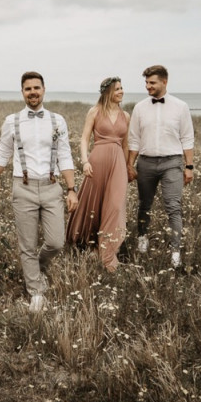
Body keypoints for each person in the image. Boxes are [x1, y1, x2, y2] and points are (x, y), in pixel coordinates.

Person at [0, 71, 78, 312]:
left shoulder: (58, 121)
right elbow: (3, 154)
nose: (33, 92)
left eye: (36, 88)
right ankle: (36, 291)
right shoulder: (12, 121)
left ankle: (38, 267)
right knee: (27, 244)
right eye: (28, 89)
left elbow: (65, 155)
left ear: (44, 89)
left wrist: (71, 189)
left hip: (51, 187)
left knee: (56, 241)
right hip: (23, 187)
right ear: (22, 92)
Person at [127, 65, 195, 268]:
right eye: (146, 83)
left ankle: (175, 251)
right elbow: (134, 139)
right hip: (146, 162)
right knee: (144, 205)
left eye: (152, 82)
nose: (148, 86)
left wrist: (189, 166)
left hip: (172, 163)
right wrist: (130, 164)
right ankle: (142, 239)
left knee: (173, 207)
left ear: (164, 82)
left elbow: (187, 137)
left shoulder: (180, 106)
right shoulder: (139, 107)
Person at [66, 77, 131, 272]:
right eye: (117, 89)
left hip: (118, 162)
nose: (121, 92)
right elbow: (84, 139)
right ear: (108, 92)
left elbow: (126, 144)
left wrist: (128, 167)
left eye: (122, 88)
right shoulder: (94, 112)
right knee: (93, 202)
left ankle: (108, 253)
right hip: (97, 161)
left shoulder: (126, 116)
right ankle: (88, 243)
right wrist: (85, 161)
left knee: (115, 205)